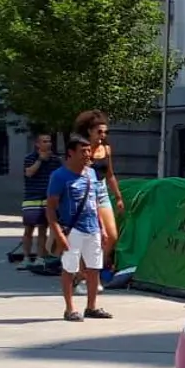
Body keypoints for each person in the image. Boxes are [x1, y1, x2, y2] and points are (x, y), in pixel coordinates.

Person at [46, 135, 113, 322]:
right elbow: (51, 207)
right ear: (71, 153)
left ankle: (91, 307)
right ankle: (70, 309)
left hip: (93, 229)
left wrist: (103, 228)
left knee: (94, 268)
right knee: (70, 269)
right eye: (82, 151)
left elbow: (95, 202)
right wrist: (58, 234)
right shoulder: (59, 176)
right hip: (72, 229)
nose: (87, 154)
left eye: (88, 151)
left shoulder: (91, 174)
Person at [74, 111, 124, 281]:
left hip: (101, 191)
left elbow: (110, 174)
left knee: (111, 236)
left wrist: (118, 197)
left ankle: (92, 270)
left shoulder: (106, 149)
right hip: (85, 193)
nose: (103, 135)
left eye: (105, 132)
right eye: (99, 132)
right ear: (89, 131)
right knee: (89, 235)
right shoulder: (82, 149)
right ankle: (82, 274)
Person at [13, 133, 57, 268]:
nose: (48, 144)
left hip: (47, 198)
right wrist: (40, 160)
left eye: (49, 141)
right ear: (37, 144)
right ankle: (26, 258)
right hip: (31, 198)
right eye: (44, 141)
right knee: (28, 229)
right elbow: (29, 173)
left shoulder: (55, 160)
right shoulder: (30, 158)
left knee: (43, 229)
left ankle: (40, 257)